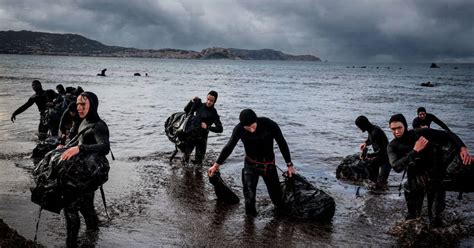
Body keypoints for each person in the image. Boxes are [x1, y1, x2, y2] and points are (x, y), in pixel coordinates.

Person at [208, 109, 296, 216]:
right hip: (250, 166)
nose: (251, 130)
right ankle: (249, 227)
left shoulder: (269, 124)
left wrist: (289, 165)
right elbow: (229, 147)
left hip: (269, 166)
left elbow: (282, 143)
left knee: (278, 199)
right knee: (249, 201)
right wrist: (216, 165)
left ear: (256, 120)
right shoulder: (239, 129)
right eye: (247, 128)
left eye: (253, 126)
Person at [387, 114, 470, 226]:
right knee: (413, 218)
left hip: (435, 176)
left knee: (436, 219)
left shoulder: (420, 133)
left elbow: (448, 135)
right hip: (415, 178)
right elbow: (396, 167)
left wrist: (462, 147)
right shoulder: (392, 146)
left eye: (399, 128)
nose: (396, 131)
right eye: (393, 129)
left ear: (405, 126)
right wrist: (415, 150)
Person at [59, 91, 110, 247]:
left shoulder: (99, 125)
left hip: (90, 174)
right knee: (86, 206)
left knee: (71, 208)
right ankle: (93, 233)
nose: (79, 108)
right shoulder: (84, 121)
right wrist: (65, 147)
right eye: (78, 104)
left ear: (92, 105)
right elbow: (78, 138)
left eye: (83, 104)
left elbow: (105, 147)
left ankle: (71, 244)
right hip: (82, 172)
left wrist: (80, 149)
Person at [182, 90, 223, 164]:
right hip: (192, 134)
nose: (208, 102)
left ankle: (197, 174)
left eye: (211, 100)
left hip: (202, 138)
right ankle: (185, 174)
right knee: (185, 158)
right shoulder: (200, 105)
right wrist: (191, 101)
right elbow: (186, 110)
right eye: (208, 99)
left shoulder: (214, 113)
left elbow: (220, 129)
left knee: (199, 163)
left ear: (215, 101)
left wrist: (207, 126)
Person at [355, 115, 391, 190]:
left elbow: (383, 150)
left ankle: (382, 195)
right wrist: (365, 143)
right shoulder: (371, 130)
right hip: (379, 156)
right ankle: (375, 195)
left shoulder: (375, 132)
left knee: (381, 183)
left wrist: (370, 155)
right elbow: (370, 140)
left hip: (386, 158)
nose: (359, 128)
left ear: (363, 125)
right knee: (373, 179)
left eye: (359, 126)